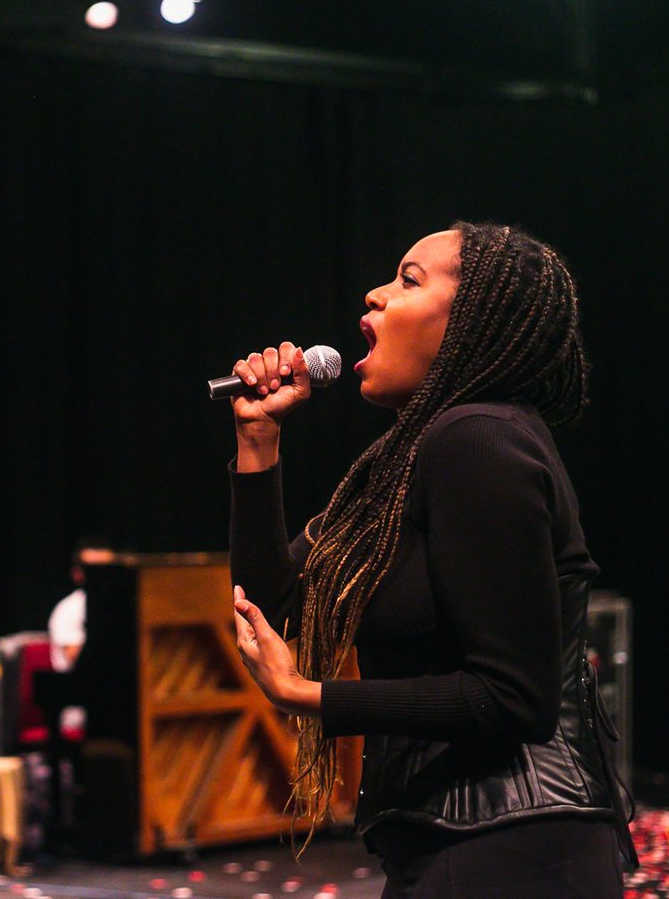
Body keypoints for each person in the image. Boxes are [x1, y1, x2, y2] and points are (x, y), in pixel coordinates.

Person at [226, 222, 634, 897]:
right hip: (453, 843)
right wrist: (257, 442)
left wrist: (308, 695)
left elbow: (514, 698)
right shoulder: (400, 468)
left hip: (512, 846)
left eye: (408, 280)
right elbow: (268, 606)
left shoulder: (476, 440)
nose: (375, 296)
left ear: (473, 319)